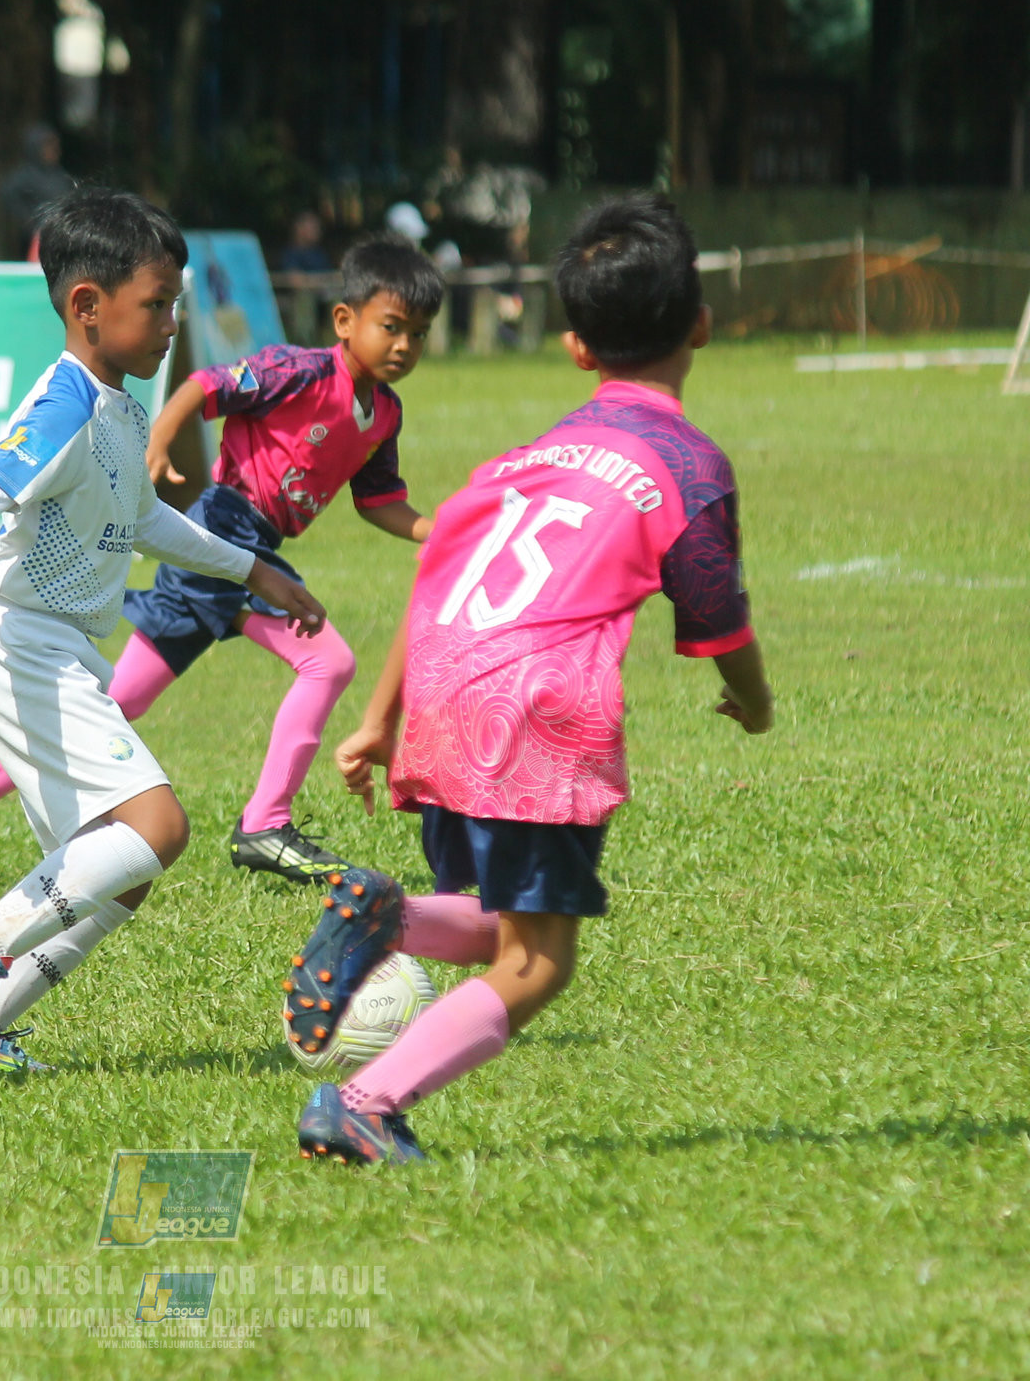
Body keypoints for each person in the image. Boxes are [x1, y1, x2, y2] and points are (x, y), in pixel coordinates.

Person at [284, 195, 775, 1164]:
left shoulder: (518, 460)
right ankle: (367, 1102)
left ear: (575, 347)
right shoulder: (687, 465)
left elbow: (436, 578)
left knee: (507, 922)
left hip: (442, 694)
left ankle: (384, 915)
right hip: (538, 711)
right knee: (539, 961)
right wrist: (753, 703)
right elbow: (718, 617)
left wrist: (378, 719)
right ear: (701, 325)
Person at [0, 188, 329, 1076]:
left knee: (118, 875)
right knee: (158, 825)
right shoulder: (68, 406)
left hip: (58, 651)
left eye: (176, 304)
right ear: (88, 305)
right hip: (21, 643)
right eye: (156, 304)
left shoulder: (119, 407)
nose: (172, 324)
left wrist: (253, 569)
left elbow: (145, 521)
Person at [0, 236, 444, 886]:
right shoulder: (301, 371)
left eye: (418, 335)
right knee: (329, 661)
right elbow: (206, 384)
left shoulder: (385, 413)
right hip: (226, 529)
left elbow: (380, 500)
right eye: (391, 327)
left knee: (118, 701)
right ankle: (265, 823)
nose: (404, 346)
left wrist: (441, 530)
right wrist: (161, 443)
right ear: (344, 320)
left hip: (247, 550)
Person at [0, 124, 72, 258]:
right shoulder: (24, 176)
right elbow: (8, 195)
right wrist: (30, 219)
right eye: (48, 146)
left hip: (60, 235)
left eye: (55, 147)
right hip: (35, 238)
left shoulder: (60, 176)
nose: (53, 151)